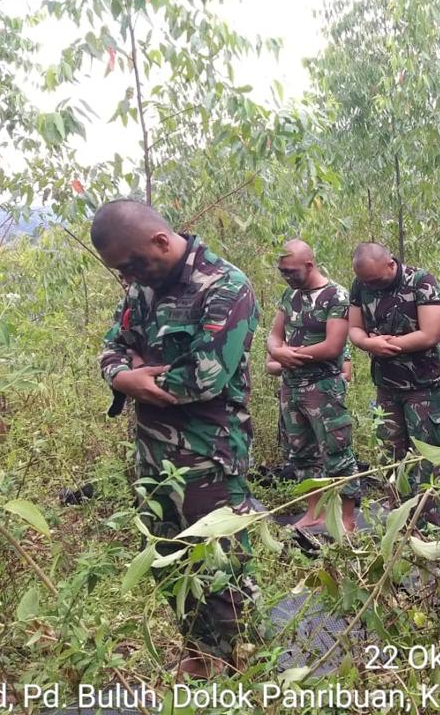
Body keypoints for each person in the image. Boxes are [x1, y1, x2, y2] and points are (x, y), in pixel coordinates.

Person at [92, 198, 259, 678]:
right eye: (121, 271)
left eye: (132, 265)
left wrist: (141, 374)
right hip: (153, 456)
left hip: (209, 456)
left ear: (161, 241)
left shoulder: (225, 286)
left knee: (222, 567)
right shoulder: (141, 290)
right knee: (168, 559)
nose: (129, 277)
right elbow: (111, 347)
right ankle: (199, 652)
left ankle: (243, 668)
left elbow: (206, 375)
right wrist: (125, 376)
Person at [266, 240, 357, 532]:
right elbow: (274, 335)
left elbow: (333, 346)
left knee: (337, 452)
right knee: (301, 453)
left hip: (323, 388)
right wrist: (277, 351)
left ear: (309, 265)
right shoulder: (289, 295)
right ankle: (314, 512)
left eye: (291, 271)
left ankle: (347, 518)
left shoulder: (336, 296)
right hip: (291, 388)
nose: (287, 277)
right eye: (282, 272)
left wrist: (290, 356)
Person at [348, 243, 440, 492]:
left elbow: (431, 333)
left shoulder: (421, 282)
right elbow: (354, 328)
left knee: (427, 455)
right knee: (390, 454)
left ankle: (428, 511)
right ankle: (396, 508)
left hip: (423, 385)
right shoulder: (360, 284)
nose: (371, 286)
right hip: (386, 384)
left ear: (391, 264)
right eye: (366, 281)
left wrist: (388, 345)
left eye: (375, 280)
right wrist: (369, 343)